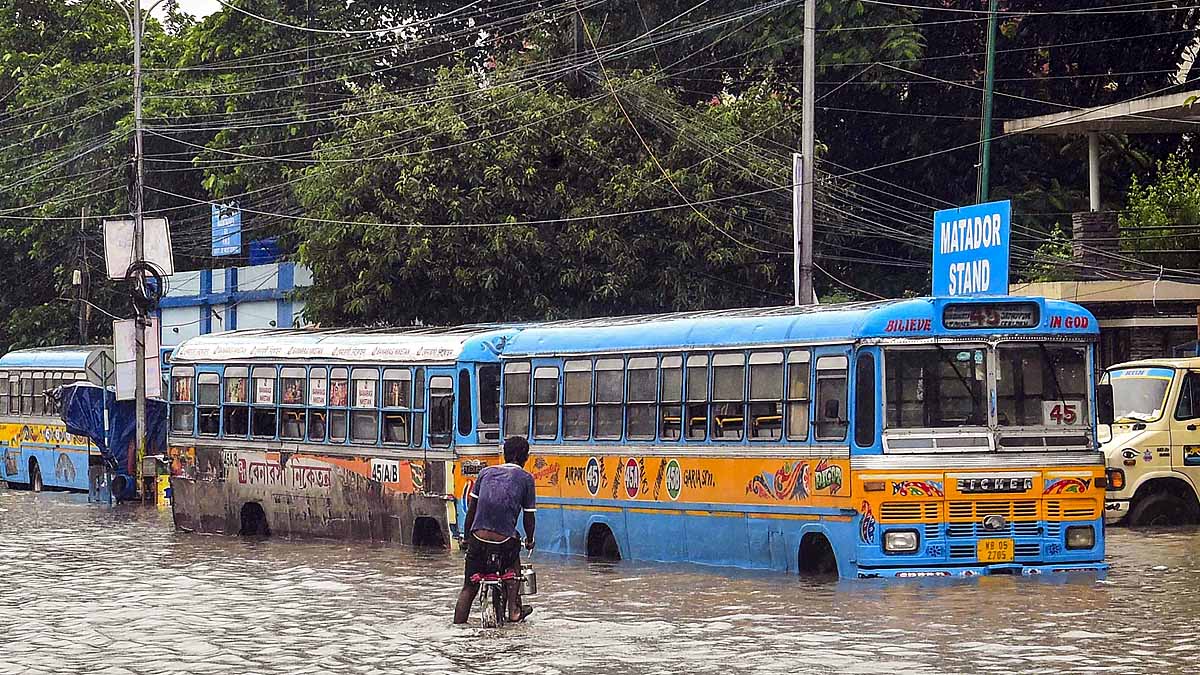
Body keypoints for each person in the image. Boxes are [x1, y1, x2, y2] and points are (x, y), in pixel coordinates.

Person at [453, 436, 536, 624]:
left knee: (468, 587)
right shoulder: (526, 479)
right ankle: (514, 610)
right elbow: (529, 516)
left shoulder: (485, 473)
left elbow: (472, 510)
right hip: (504, 541)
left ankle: (458, 626)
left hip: (477, 537)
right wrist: (530, 539)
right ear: (522, 457)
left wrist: (467, 538)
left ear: (505, 454)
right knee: (513, 565)